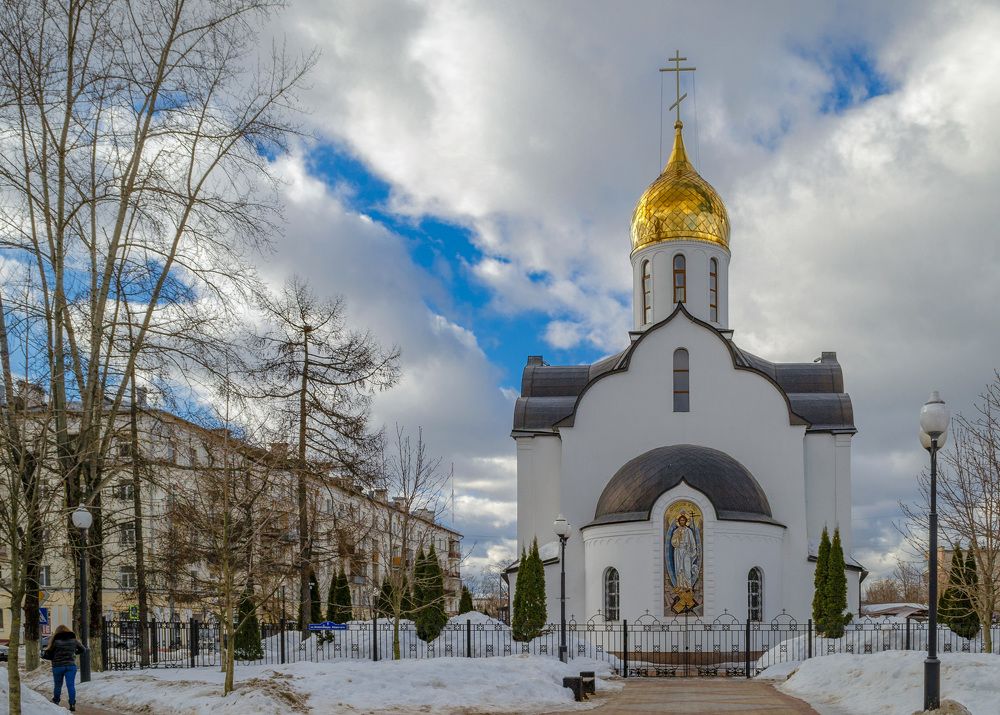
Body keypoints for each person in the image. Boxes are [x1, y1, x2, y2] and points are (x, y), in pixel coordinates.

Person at [42, 624, 85, 712]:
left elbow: (48, 654)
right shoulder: (74, 640)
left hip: (58, 666)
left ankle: (56, 701)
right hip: (70, 666)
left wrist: (53, 657)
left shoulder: (55, 641)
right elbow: (83, 649)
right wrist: (73, 653)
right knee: (71, 685)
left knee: (58, 685)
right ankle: (72, 704)